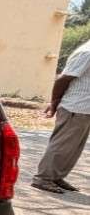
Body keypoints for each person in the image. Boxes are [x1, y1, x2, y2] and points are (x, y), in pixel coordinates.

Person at [32, 39, 90, 194]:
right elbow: (63, 79)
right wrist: (55, 101)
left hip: (84, 109)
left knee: (73, 148)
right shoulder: (87, 52)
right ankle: (43, 178)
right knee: (61, 146)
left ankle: (55, 177)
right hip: (74, 107)